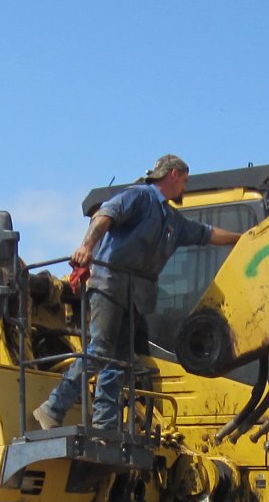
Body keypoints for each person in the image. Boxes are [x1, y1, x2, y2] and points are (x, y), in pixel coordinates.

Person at [34, 153, 239, 432]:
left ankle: (105, 424)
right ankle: (53, 407)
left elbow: (208, 234)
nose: (185, 188)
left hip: (135, 295)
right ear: (173, 175)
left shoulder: (173, 221)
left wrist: (243, 239)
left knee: (118, 360)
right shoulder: (139, 197)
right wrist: (86, 247)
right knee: (100, 350)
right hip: (109, 283)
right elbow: (105, 215)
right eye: (185, 181)